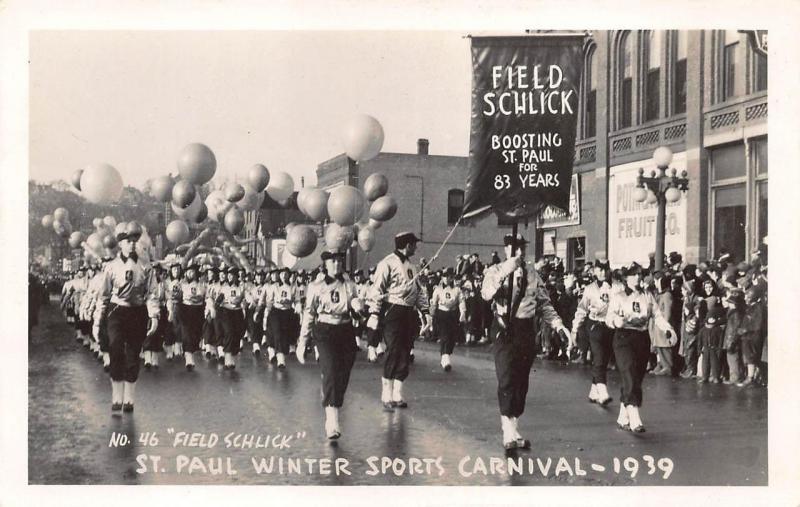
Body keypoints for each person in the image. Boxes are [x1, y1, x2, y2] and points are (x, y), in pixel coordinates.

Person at [481, 233, 571, 450]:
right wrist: (505, 271)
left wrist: (558, 325)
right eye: (515, 248)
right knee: (507, 378)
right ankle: (507, 432)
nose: (520, 252)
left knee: (521, 382)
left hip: (525, 329)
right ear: (506, 249)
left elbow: (544, 303)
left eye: (522, 248)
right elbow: (486, 294)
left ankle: (514, 427)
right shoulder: (494, 271)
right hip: (505, 328)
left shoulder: (532, 273)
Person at [95, 222, 161, 414]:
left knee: (133, 354)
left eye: (134, 241)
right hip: (117, 311)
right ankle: (116, 397)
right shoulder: (111, 267)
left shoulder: (145, 266)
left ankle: (129, 398)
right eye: (127, 241)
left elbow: (151, 294)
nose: (131, 244)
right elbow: (104, 296)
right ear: (120, 244)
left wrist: (154, 316)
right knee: (115, 349)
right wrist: (98, 320)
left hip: (137, 312)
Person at [296, 250, 360, 439]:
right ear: (325, 264)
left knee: (343, 373)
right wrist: (303, 341)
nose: (337, 264)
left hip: (345, 329)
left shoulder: (349, 283)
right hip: (324, 330)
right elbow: (309, 313)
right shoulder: (316, 286)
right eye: (333, 261)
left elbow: (354, 305)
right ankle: (332, 421)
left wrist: (358, 305)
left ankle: (332, 397)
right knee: (331, 370)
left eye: (340, 260)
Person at [605, 264, 676, 433]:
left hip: (642, 338)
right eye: (633, 275)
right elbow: (609, 317)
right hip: (624, 337)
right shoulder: (619, 296)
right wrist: (617, 321)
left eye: (639, 274)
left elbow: (657, 316)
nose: (637, 277)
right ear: (626, 278)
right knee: (628, 372)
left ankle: (623, 416)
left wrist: (668, 329)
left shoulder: (648, 296)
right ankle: (634, 417)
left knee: (636, 378)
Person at [366, 232, 430, 411]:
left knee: (405, 351)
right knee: (393, 350)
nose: (416, 248)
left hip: (408, 313)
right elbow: (377, 290)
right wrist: (374, 313)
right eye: (414, 244)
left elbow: (418, 291)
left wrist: (425, 311)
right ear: (407, 245)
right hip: (392, 311)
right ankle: (386, 393)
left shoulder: (413, 267)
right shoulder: (387, 263)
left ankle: (398, 393)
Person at [571, 261, 614, 404]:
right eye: (599, 270)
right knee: (599, 357)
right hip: (595, 325)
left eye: (605, 269)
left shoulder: (616, 286)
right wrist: (575, 328)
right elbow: (582, 309)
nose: (602, 273)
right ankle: (602, 391)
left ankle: (594, 390)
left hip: (610, 326)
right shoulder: (590, 289)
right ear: (595, 271)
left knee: (604, 358)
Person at [429, 268, 466, 371]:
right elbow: (434, 303)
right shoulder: (438, 289)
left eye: (449, 276)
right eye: (444, 276)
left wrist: (463, 313)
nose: (446, 278)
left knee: (451, 337)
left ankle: (445, 356)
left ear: (452, 278)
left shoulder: (457, 289)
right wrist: (431, 317)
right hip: (442, 314)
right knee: (444, 335)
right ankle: (445, 359)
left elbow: (461, 301)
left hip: (453, 315)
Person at [176, 262, 206, 370]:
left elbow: (203, 297)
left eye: (192, 272)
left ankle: (190, 353)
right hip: (186, 310)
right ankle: (189, 358)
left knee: (195, 334)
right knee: (186, 333)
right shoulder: (182, 284)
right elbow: (178, 297)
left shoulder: (201, 284)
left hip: (197, 310)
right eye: (188, 272)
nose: (190, 274)